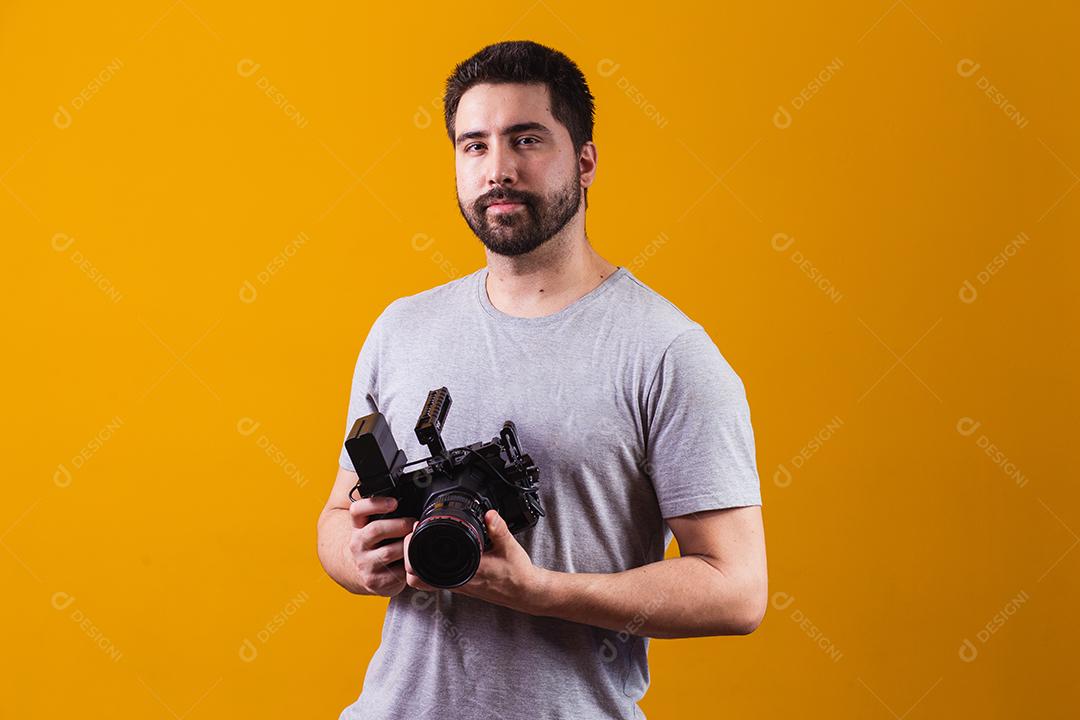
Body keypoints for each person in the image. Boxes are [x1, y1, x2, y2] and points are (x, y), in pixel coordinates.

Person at [316, 39, 767, 720]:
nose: (498, 169)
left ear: (585, 162)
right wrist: (364, 560)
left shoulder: (667, 352)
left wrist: (540, 590)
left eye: (526, 140)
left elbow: (736, 590)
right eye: (475, 145)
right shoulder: (401, 328)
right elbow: (333, 520)